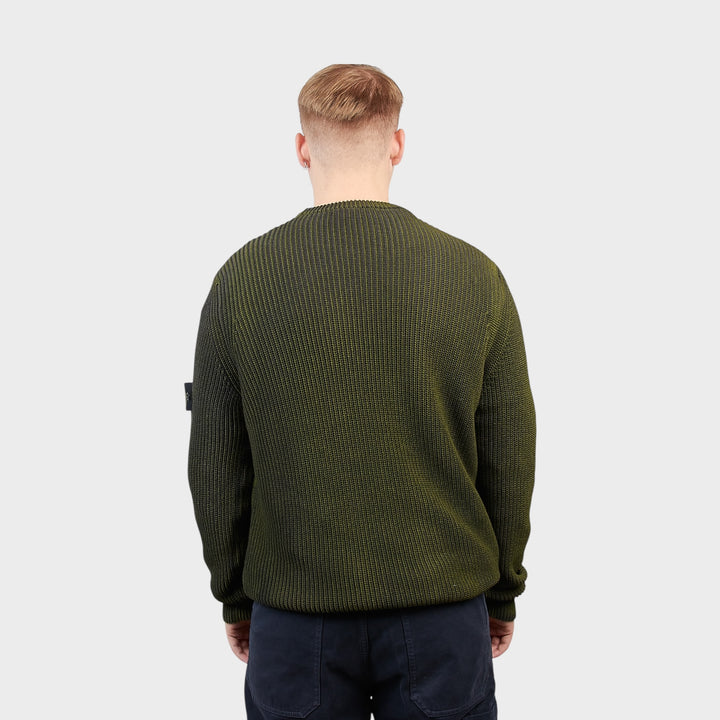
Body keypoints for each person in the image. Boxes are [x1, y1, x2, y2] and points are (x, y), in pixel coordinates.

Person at [187, 63, 536, 720]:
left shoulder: (242, 281)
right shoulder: (474, 278)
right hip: (442, 609)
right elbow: (509, 454)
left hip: (295, 613)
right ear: (398, 145)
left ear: (302, 148)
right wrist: (501, 592)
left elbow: (216, 463)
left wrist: (235, 597)